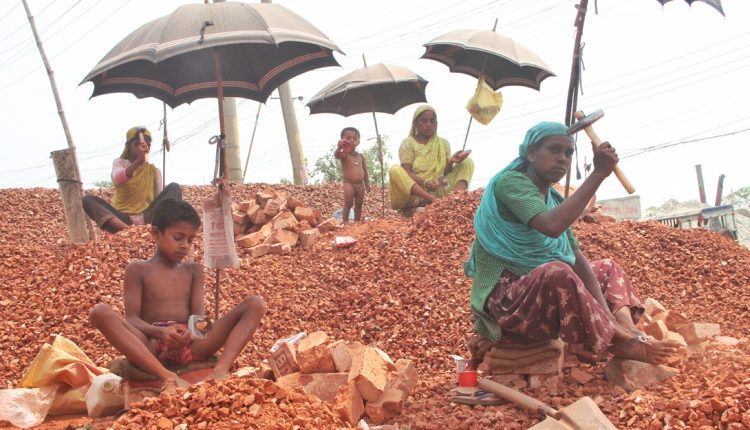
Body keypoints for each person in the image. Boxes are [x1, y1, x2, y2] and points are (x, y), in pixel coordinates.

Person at [465, 122, 681, 365]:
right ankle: (619, 341)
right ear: (531, 153)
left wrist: (611, 318)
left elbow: (575, 256)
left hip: (542, 297)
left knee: (606, 268)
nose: (563, 159)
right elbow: (551, 226)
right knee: (557, 272)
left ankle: (628, 333)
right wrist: (598, 174)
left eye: (569, 153)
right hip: (509, 302)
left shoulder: (554, 198)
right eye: (554, 150)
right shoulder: (511, 183)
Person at [89, 199, 266, 390]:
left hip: (191, 344)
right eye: (178, 237)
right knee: (100, 312)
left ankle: (221, 371)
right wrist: (161, 333)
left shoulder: (193, 270)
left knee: (255, 304)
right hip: (152, 343)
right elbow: (132, 319)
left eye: (190, 240)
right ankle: (166, 374)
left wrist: (190, 334)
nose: (185, 245)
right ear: (155, 233)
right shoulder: (137, 270)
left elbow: (200, 319)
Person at [82, 126, 182, 233]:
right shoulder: (120, 163)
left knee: (174, 188)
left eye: (148, 144)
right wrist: (139, 161)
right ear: (129, 146)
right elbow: (118, 179)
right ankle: (128, 230)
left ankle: (157, 228)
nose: (144, 147)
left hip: (148, 217)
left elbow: (159, 198)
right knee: (88, 200)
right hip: (122, 217)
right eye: (137, 144)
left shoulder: (154, 171)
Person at [388, 105, 474, 216]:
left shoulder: (443, 143)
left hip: (438, 187)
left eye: (432, 121)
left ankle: (455, 201)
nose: (428, 124)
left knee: (467, 162)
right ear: (415, 123)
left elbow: (444, 173)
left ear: (436, 124)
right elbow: (407, 173)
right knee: (394, 169)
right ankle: (427, 202)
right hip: (416, 192)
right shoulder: (408, 143)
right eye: (424, 121)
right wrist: (425, 183)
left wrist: (452, 161)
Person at [334, 127, 370, 223]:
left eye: (354, 139)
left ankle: (356, 223)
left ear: (358, 142)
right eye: (348, 138)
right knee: (348, 203)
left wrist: (367, 184)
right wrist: (339, 147)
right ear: (342, 140)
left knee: (359, 204)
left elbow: (365, 171)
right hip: (348, 183)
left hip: (360, 184)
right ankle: (345, 222)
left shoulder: (361, 156)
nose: (352, 140)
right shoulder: (344, 154)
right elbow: (337, 155)